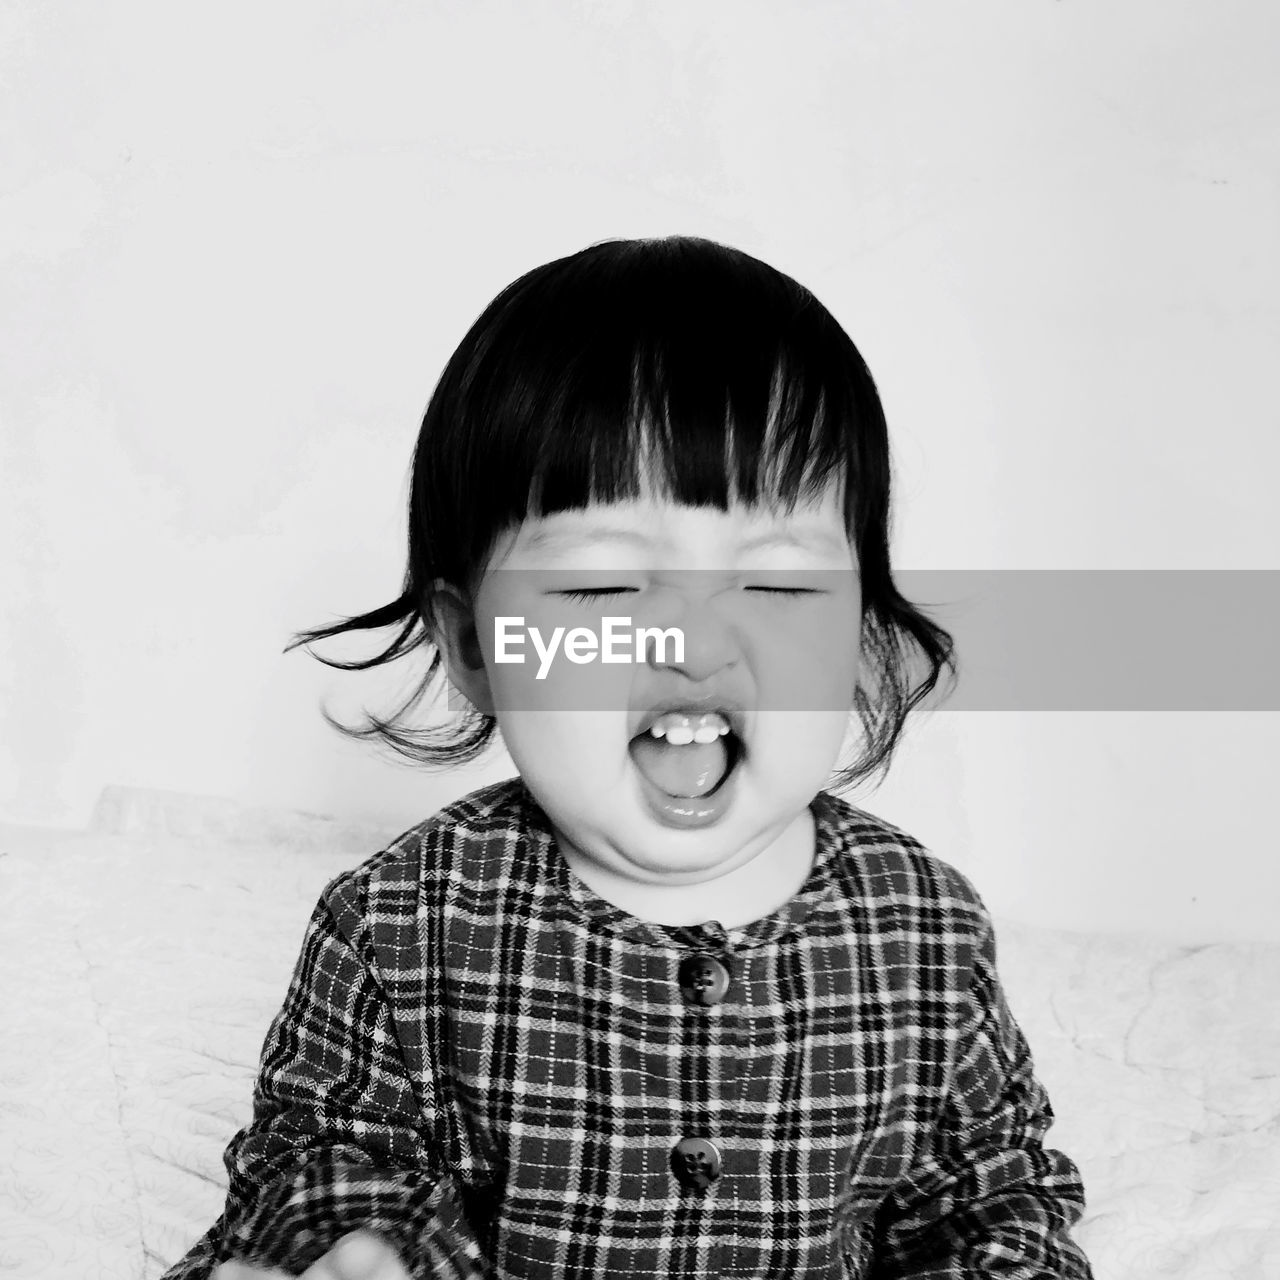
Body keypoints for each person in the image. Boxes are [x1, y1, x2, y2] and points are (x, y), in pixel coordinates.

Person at [164, 236, 1093, 1279]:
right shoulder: (397, 921)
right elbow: (319, 1157)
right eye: (602, 587)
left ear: (862, 635)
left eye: (780, 587)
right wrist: (358, 1243)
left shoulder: (925, 927)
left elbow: (991, 1196)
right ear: (476, 646)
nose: (692, 643)